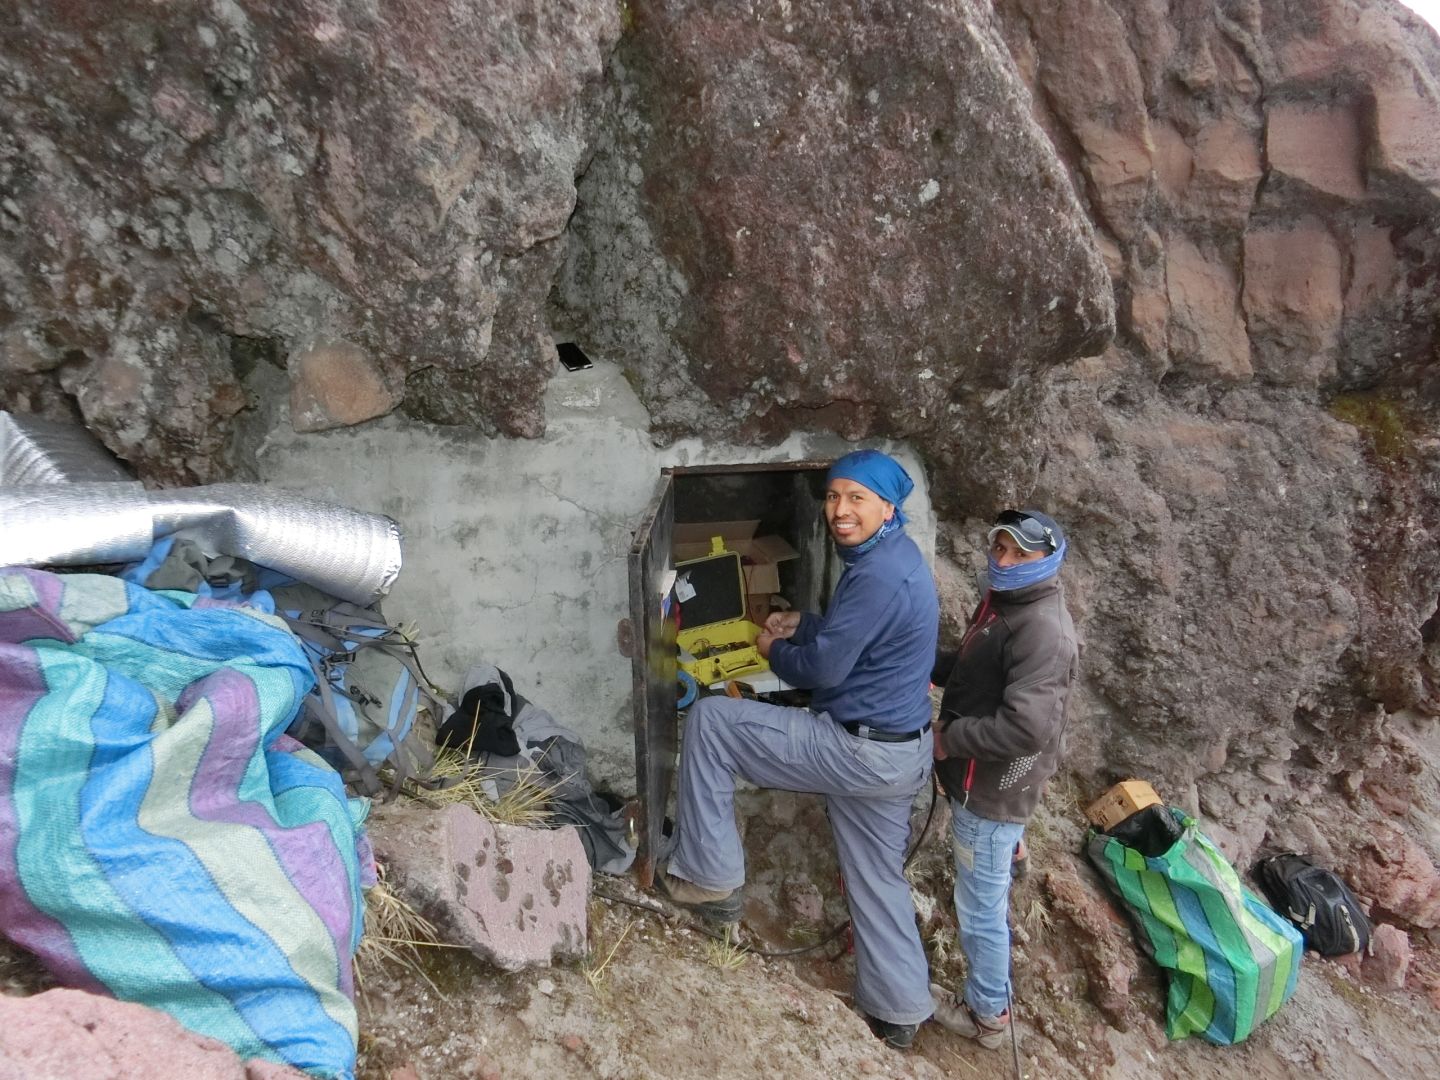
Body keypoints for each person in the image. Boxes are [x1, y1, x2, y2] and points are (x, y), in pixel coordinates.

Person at [657, 449, 940, 1049]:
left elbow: (828, 670)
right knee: (877, 876)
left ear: (888, 507)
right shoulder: (894, 560)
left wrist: (772, 648)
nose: (840, 510)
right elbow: (857, 638)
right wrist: (804, 624)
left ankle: (709, 879)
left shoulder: (877, 573)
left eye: (857, 498)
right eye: (834, 497)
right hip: (900, 755)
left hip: (855, 749)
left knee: (711, 720)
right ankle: (900, 1012)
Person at [928, 509, 1079, 1049]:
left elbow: (1025, 728)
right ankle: (1010, 850)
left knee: (978, 908)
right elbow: (975, 671)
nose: (1005, 561)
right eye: (1000, 549)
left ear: (1049, 560)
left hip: (993, 789)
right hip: (986, 779)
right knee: (989, 873)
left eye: (1020, 554)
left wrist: (948, 740)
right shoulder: (1005, 601)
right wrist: (926, 662)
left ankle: (988, 1015)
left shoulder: (1044, 632)